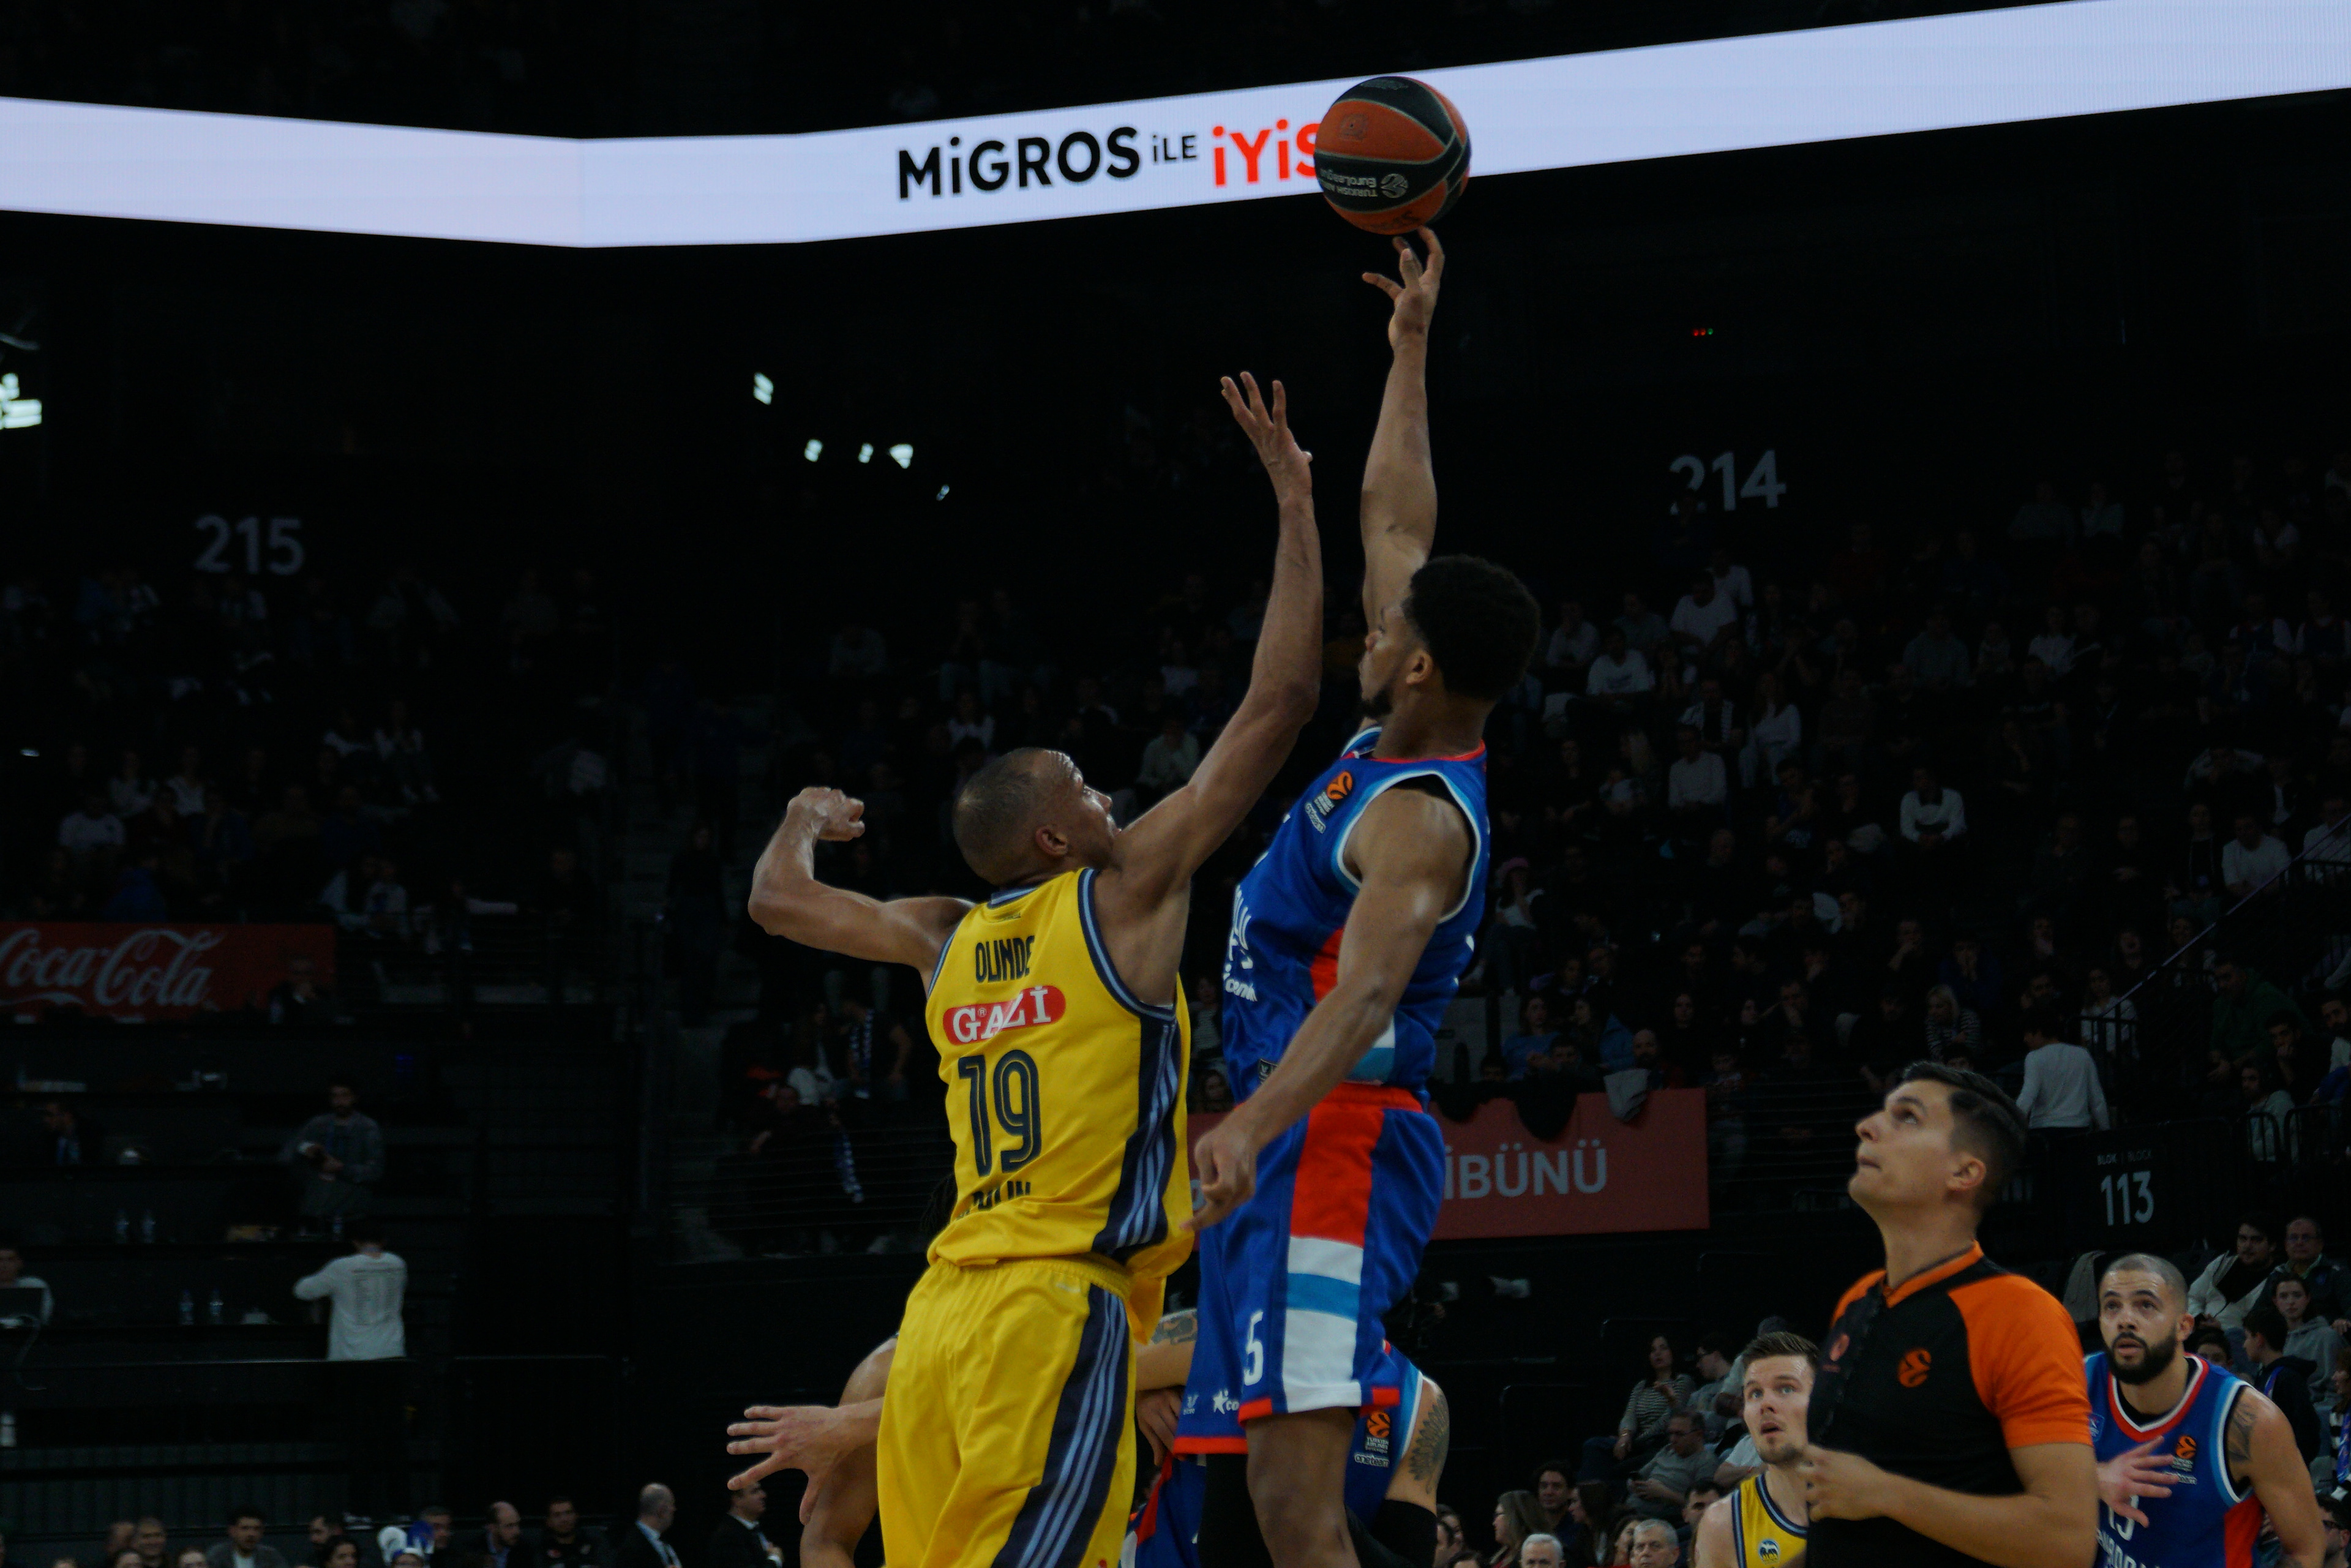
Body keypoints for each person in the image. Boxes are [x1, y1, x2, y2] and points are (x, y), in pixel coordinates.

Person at [741, 367, 1327, 1568]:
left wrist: (801, 809)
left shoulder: (941, 934)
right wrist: (1292, 499)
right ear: (1057, 838)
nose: (1113, 795)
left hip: (940, 1315)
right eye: (1089, 788)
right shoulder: (1125, 894)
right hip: (1053, 1308)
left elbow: (776, 898)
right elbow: (1280, 700)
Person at [1179, 228, 1542, 1568]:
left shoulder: (1419, 823)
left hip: (1330, 1138)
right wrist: (1408, 346)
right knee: (1249, 1509)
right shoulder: (1398, 716)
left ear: (1427, 663)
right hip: (1285, 1133)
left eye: (1387, 634)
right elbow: (1395, 515)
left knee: (1296, 1511)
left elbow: (1373, 988)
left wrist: (1256, 1119)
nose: (1365, 633)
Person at [727, 1304, 1452, 1568]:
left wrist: (1296, 1477)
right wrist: (1134, 1386)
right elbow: (1059, 1373)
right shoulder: (1210, 1334)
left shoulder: (1420, 1404)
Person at [1800, 1062, 2098, 1567]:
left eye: (1908, 1117)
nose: (1867, 1126)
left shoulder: (2020, 1312)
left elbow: (2067, 1540)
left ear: (1964, 1172)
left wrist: (1887, 1493)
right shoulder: (1856, 1298)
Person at [2088, 1255, 2324, 1566]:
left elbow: (2306, 1550)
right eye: (2112, 1306)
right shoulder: (2076, 1384)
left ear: (2184, 1326)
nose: (2125, 1319)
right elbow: (2026, 1478)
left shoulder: (2248, 1420)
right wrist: (2093, 1477)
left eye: (2146, 1305)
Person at [293, 1217, 408, 1515]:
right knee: (394, 1438)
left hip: (354, 1362)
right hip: (391, 1359)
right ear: (383, 1239)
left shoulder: (342, 1267)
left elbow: (303, 1290)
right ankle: (400, 1508)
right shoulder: (398, 1264)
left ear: (353, 1241)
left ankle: (360, 1511)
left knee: (359, 1439)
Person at [1693, 1331, 1815, 1568]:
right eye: (1755, 1393)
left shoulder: (1872, 1497)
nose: (1765, 1405)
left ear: (1822, 1401)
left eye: (1786, 1389)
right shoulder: (1724, 1522)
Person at [280, 1079, 384, 1231]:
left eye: (345, 1096)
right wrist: (306, 1148)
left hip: (351, 1211)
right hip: (316, 1208)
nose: (339, 1101)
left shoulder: (367, 1128)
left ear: (354, 1098)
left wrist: (342, 1168)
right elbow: (285, 1156)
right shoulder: (317, 1125)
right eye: (335, 1096)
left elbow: (375, 1171)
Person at [2242, 1301, 2325, 1463]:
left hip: (2287, 1473)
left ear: (2259, 1339)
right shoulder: (2265, 1375)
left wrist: (2294, 1464)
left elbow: (2308, 1427)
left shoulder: (2288, 1378)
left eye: (2247, 1337)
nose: (2244, 1345)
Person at [2012, 1011, 2110, 1131]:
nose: (2025, 1039)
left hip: (2045, 1130)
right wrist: (2105, 1129)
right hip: (2079, 1129)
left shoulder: (2034, 1058)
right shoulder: (2082, 1054)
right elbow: (2097, 1099)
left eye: (2027, 1034)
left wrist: (2011, 1125)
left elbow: (2028, 1096)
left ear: (2038, 1032)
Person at [2188, 1213, 2281, 1330]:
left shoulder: (2278, 1280)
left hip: (2236, 1343)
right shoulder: (2223, 1262)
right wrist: (2197, 1318)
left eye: (2256, 1240)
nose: (2247, 1246)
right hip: (2198, 1333)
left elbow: (2265, 1329)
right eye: (2243, 1239)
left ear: (2272, 1246)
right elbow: (2194, 1297)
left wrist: (2223, 1329)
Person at [703, 1484, 779, 1568]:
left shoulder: (755, 1529)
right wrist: (775, 1560)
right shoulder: (728, 1536)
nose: (763, 1495)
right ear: (737, 1500)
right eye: (754, 1492)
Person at [613, 1488, 678, 1568]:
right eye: (672, 1505)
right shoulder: (630, 1547)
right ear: (662, 1510)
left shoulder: (664, 1544)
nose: (674, 1509)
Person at [534, 1500, 608, 1568]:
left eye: (568, 1513)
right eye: (557, 1515)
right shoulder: (540, 1549)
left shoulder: (595, 1544)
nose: (564, 1519)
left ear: (576, 1516)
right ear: (548, 1522)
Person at [204, 1513, 287, 1568]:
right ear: (232, 1531)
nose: (251, 1534)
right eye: (245, 1528)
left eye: (256, 1529)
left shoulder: (271, 1556)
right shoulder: (218, 1555)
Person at [0, 1243, 53, 1324]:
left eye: (10, 1260)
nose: (4, 1265)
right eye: (0, 1260)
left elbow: (44, 1316)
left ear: (20, 1263)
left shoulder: (35, 1285)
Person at [1491, 1493, 1545, 1568]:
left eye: (1497, 1515)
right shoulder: (1504, 1555)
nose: (1494, 1523)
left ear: (1514, 1517)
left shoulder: (1533, 1557)